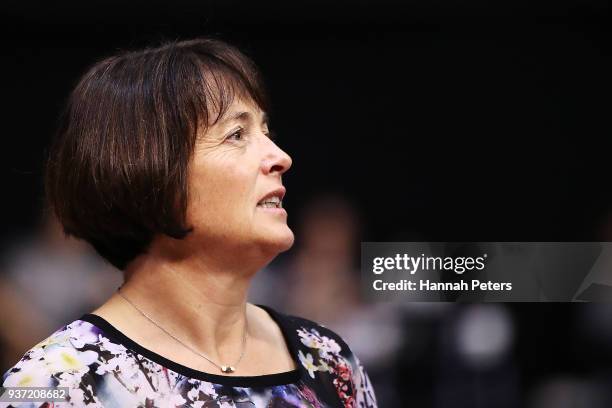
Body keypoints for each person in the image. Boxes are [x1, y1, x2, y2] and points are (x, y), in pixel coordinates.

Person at [1, 38, 377, 407]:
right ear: (148, 172)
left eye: (266, 132)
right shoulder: (57, 383)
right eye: (236, 134)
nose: (280, 157)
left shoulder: (329, 361)